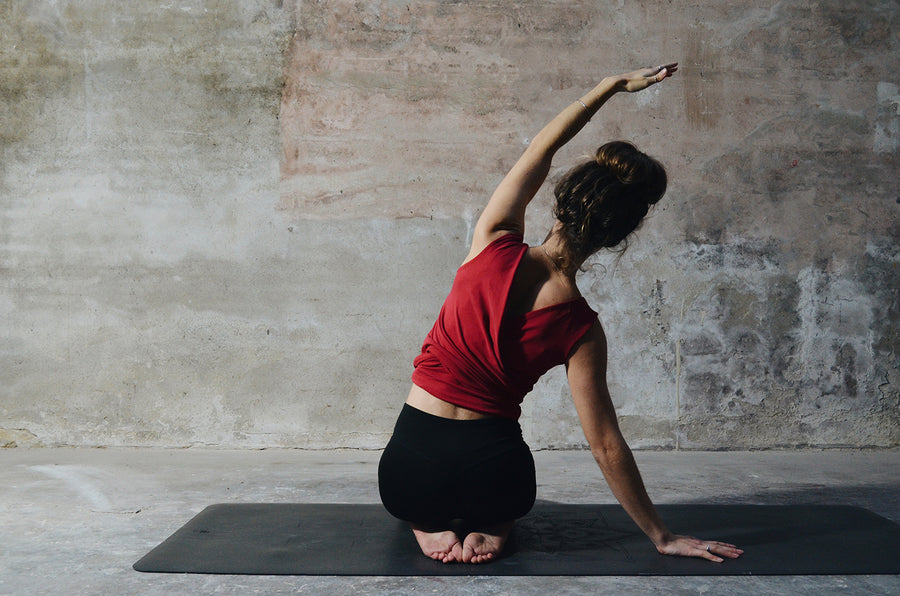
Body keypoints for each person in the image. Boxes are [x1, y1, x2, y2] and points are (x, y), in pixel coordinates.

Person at [378, 63, 744, 565]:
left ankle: (427, 522)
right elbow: (605, 445)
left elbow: (541, 150)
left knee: (414, 489)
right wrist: (662, 537)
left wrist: (609, 88)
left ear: (561, 201)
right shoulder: (583, 330)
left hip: (408, 475)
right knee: (504, 490)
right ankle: (492, 524)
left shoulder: (493, 239)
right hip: (495, 480)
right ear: (614, 238)